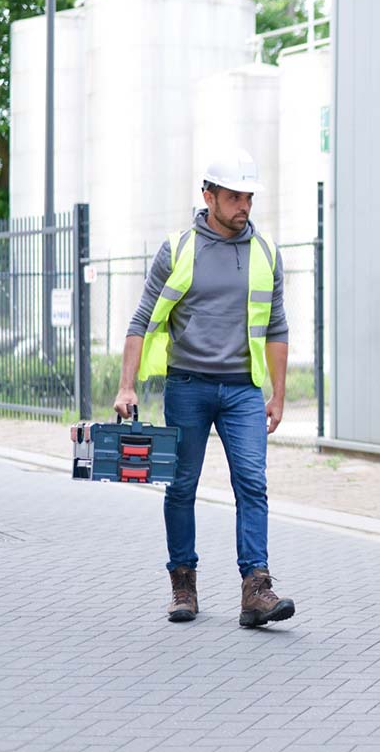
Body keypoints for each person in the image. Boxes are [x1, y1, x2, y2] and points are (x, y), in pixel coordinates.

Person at [113, 148, 295, 628]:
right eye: (233, 196)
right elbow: (142, 319)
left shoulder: (266, 253)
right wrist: (125, 386)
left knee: (252, 485)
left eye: (248, 197)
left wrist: (279, 393)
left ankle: (256, 588)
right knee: (182, 486)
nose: (243, 207)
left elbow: (277, 327)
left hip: (242, 393)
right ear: (208, 195)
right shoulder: (177, 249)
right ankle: (183, 584)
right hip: (187, 387)